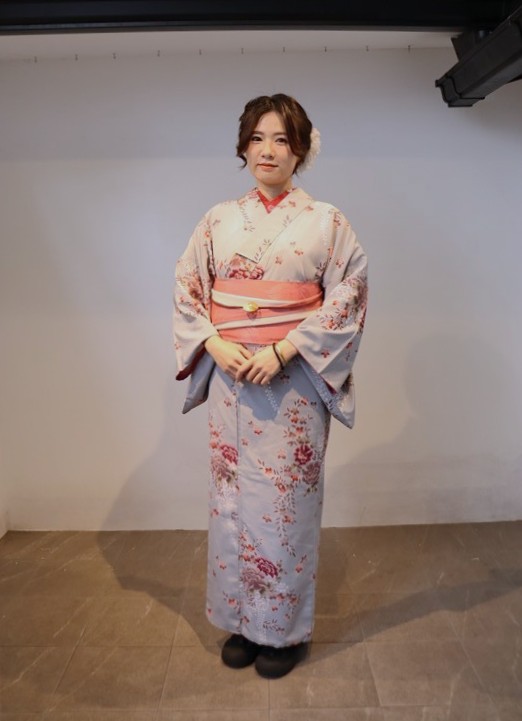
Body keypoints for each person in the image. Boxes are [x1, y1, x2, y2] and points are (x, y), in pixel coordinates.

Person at [173, 94, 367, 678]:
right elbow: (188, 287)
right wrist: (213, 343)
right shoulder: (217, 220)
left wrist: (285, 348)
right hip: (232, 378)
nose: (268, 150)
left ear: (300, 150)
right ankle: (241, 623)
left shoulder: (327, 221)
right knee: (232, 501)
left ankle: (282, 633)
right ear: (243, 146)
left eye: (282, 139)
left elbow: (349, 294)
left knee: (285, 506)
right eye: (257, 138)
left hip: (293, 383)